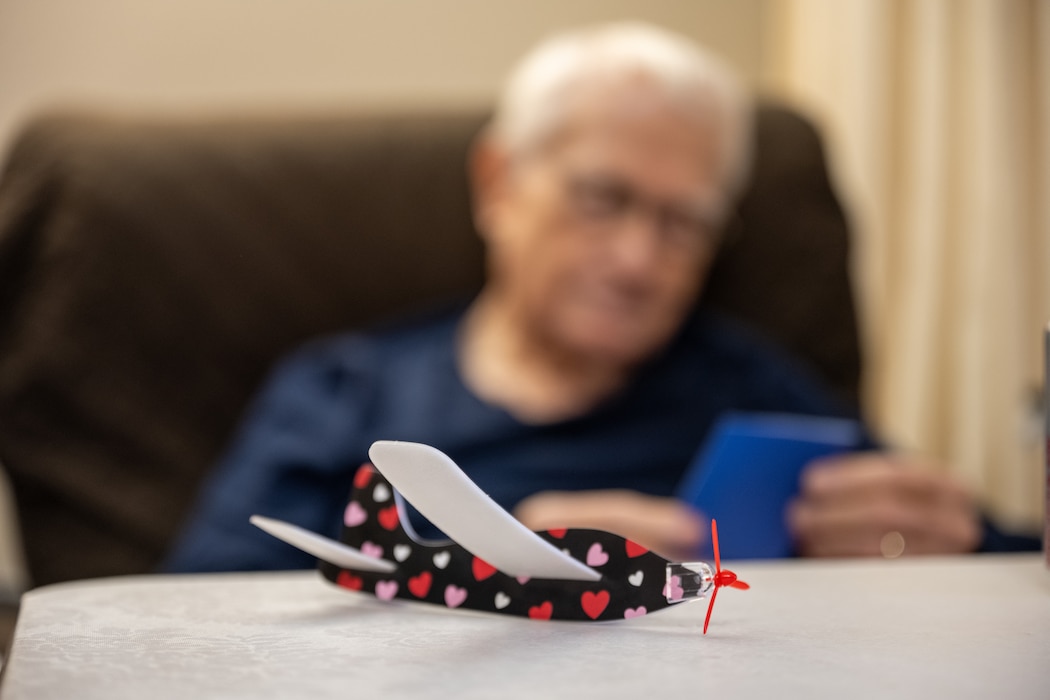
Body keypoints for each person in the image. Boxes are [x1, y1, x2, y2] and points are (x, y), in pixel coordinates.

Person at [165, 22, 1017, 573]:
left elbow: (1000, 555)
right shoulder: (345, 394)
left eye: (684, 223)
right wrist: (484, 568)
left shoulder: (754, 392)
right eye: (602, 200)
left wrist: (954, 544)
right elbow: (194, 616)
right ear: (499, 187)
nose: (639, 262)